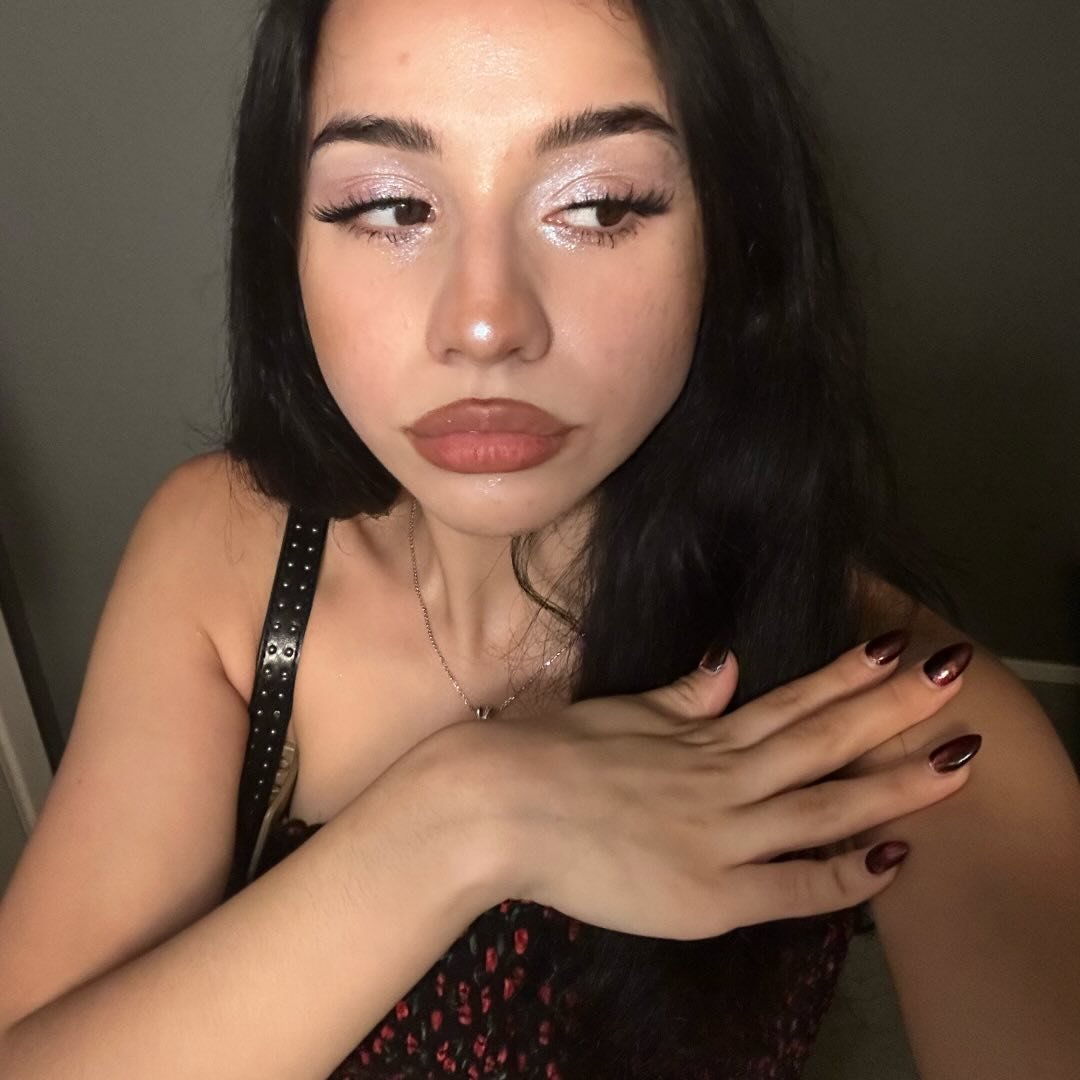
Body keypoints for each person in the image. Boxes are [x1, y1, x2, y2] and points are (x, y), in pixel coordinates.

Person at [0, 0, 1077, 1077]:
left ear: (730, 234)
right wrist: (464, 817)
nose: (483, 324)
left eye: (598, 204)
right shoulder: (223, 550)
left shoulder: (903, 720)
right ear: (288, 241)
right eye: (388, 205)